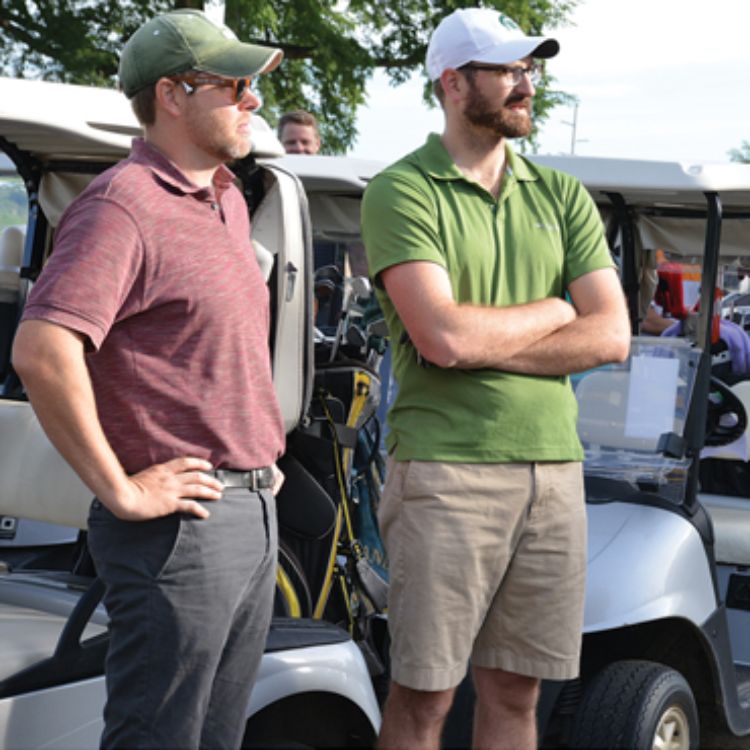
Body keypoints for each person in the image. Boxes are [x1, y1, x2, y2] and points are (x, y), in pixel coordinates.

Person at [12, 9, 285, 748]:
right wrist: (122, 489)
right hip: (179, 532)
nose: (252, 99)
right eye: (234, 83)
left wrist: (258, 464)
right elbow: (42, 350)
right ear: (172, 94)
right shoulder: (122, 206)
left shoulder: (225, 198)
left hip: (245, 516)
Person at [361, 8, 631, 749]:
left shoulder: (562, 194)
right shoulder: (401, 189)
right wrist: (551, 308)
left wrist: (476, 341)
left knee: (518, 693)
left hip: (555, 472)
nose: (527, 83)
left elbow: (611, 334)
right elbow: (442, 337)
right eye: (509, 70)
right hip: (446, 473)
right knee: (424, 697)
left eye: (530, 69)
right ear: (453, 83)